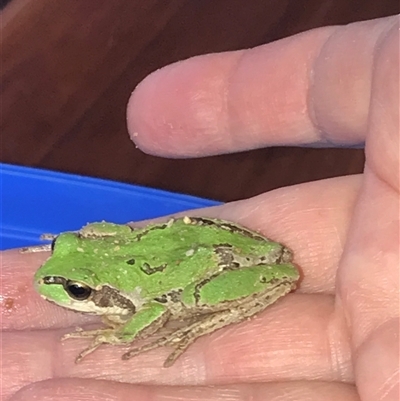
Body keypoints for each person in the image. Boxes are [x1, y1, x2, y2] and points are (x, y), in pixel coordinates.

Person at [2, 15, 398, 401]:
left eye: (80, 290)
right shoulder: (113, 241)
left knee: (183, 302)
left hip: (197, 273)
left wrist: (118, 333)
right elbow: (111, 231)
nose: (52, 280)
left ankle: (208, 314)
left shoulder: (132, 294)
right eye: (65, 247)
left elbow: (152, 312)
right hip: (196, 240)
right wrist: (80, 241)